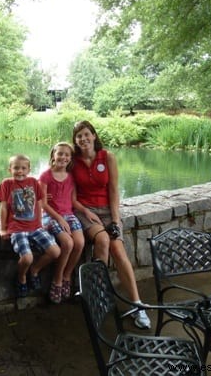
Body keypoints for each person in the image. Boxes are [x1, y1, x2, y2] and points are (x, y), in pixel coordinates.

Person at [71, 120, 152, 329]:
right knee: (104, 239)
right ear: (75, 140)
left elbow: (114, 191)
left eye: (86, 134)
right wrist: (86, 211)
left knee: (118, 248)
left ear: (94, 136)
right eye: (79, 136)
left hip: (108, 210)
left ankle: (137, 305)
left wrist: (115, 220)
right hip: (85, 212)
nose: (83, 139)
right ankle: (97, 294)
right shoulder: (73, 161)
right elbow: (70, 196)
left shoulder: (108, 157)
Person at [0, 154, 61, 298]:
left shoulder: (33, 182)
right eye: (16, 168)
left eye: (23, 168)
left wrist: (40, 223)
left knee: (55, 252)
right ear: (9, 169)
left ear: (29, 169)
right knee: (27, 258)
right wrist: (3, 228)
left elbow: (38, 204)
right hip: (17, 228)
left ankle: (35, 270)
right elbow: (4, 208)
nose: (20, 171)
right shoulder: (6, 184)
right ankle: (22, 277)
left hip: (35, 227)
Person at [38, 142, 85, 304]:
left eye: (67, 155)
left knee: (79, 242)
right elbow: (42, 203)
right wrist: (59, 218)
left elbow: (73, 201)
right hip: (51, 216)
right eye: (60, 154)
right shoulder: (45, 176)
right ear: (53, 155)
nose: (63, 157)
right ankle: (57, 280)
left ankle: (67, 275)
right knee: (67, 243)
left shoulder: (71, 177)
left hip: (69, 215)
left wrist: (86, 212)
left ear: (71, 159)